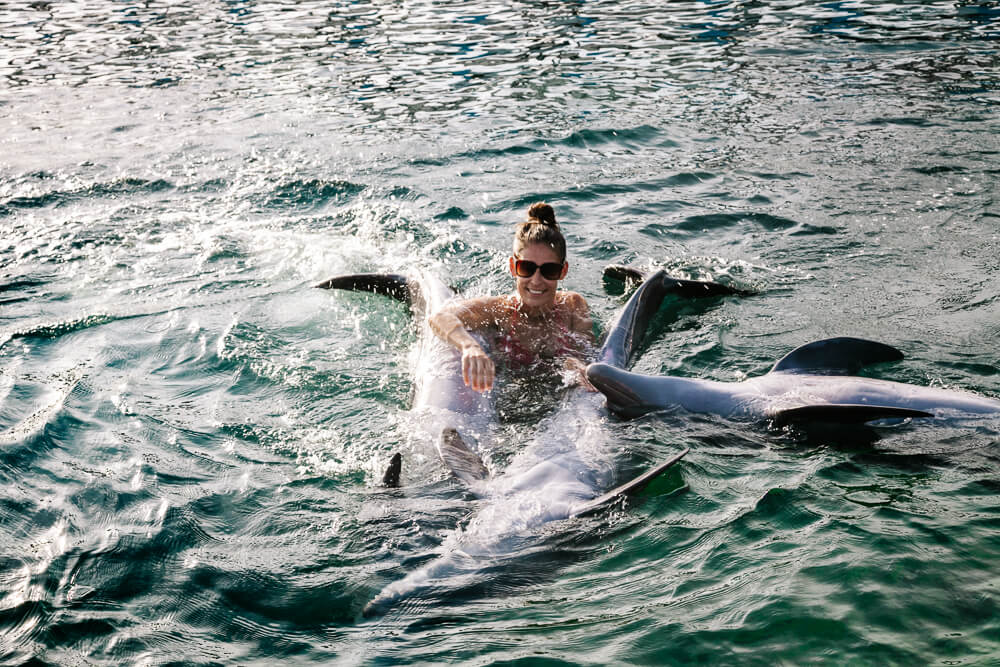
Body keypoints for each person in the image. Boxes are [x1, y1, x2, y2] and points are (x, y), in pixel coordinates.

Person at [429, 202, 596, 393]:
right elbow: (439, 318)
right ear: (512, 267)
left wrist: (575, 364)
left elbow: (586, 350)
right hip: (509, 393)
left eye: (549, 270)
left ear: (563, 271)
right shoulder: (499, 310)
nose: (536, 281)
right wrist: (470, 347)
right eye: (527, 268)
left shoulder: (573, 304)